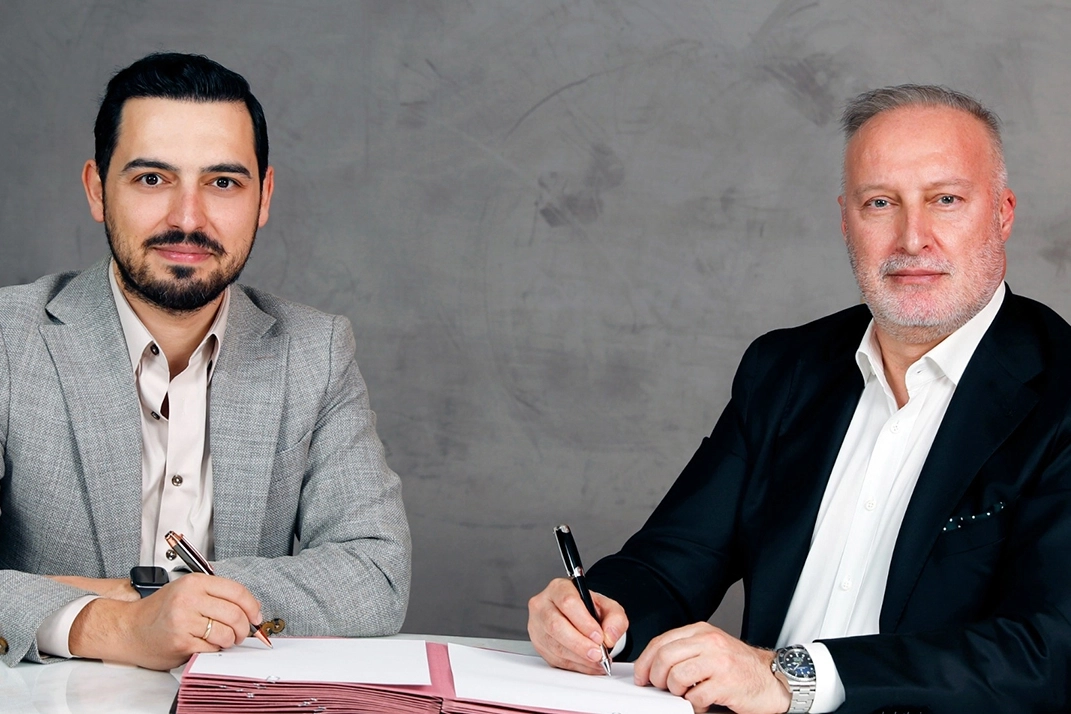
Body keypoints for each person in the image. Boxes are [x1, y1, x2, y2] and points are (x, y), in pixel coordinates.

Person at [528, 84, 1071, 713]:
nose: (912, 238)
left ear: (1002, 214)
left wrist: (791, 677)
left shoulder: (1059, 393)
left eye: (945, 200)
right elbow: (672, 563)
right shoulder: (786, 370)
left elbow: (1048, 651)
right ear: (846, 220)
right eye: (880, 202)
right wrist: (597, 614)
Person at [0, 53, 411, 670]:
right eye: (151, 179)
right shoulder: (9, 341)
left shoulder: (315, 351)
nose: (187, 219)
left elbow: (375, 573)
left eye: (223, 183)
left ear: (263, 197)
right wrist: (116, 624)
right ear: (96, 189)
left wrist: (164, 599)